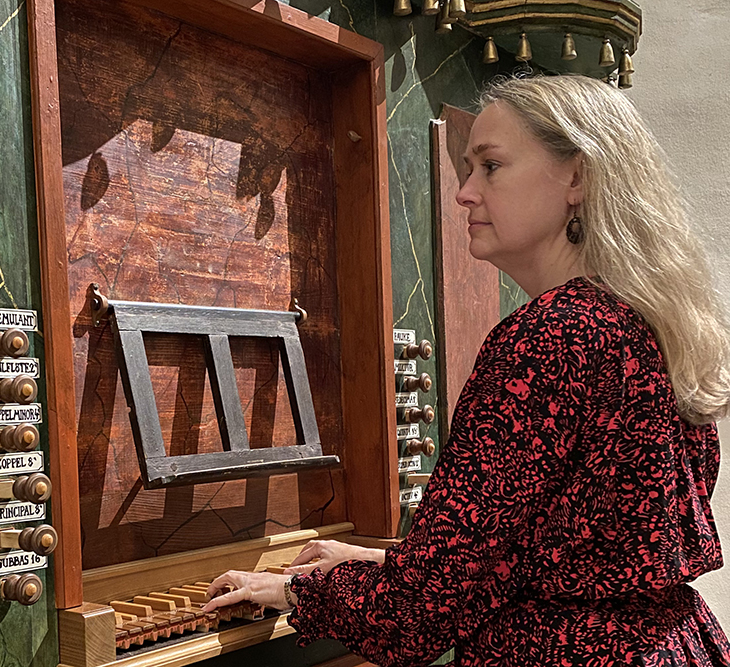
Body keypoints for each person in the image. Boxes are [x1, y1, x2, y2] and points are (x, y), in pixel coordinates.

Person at [202, 74, 730, 666]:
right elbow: (566, 549)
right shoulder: (636, 318)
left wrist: (299, 590)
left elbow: (419, 615)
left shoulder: (551, 334)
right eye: (466, 167)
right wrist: (387, 560)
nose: (464, 192)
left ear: (577, 177)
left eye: (490, 166)